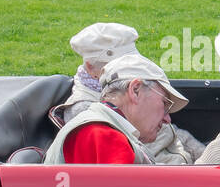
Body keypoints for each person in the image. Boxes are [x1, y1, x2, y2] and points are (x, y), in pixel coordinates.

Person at [43, 54, 190, 165]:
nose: (167, 119)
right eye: (165, 104)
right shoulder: (103, 135)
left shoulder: (104, 130)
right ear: (136, 90)